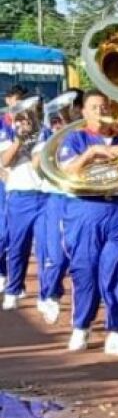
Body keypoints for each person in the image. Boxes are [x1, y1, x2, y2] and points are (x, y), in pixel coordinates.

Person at [58, 90, 118, 356]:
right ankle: (81, 326)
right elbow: (67, 170)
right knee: (85, 271)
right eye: (94, 107)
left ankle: (116, 331)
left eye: (105, 106)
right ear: (84, 112)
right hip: (87, 207)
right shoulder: (75, 138)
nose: (101, 111)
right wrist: (94, 151)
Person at [33, 92, 79, 324]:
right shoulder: (47, 138)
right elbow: (37, 167)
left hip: (82, 200)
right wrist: (55, 140)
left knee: (82, 259)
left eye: (69, 112)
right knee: (57, 255)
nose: (62, 120)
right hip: (57, 199)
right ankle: (51, 294)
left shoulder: (83, 137)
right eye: (60, 116)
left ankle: (82, 316)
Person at [0, 97, 46, 311]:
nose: (26, 119)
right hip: (20, 197)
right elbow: (5, 161)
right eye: (22, 115)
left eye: (30, 114)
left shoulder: (46, 133)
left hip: (44, 196)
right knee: (18, 246)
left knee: (47, 249)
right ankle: (13, 289)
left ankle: (47, 295)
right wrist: (20, 139)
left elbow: (39, 166)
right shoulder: (8, 133)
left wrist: (37, 143)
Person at [0, 85, 27, 294]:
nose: (18, 104)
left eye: (22, 100)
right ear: (8, 100)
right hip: (3, 184)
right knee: (2, 233)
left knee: (14, 235)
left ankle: (16, 279)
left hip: (18, 185)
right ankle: (2, 273)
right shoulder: (2, 123)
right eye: (15, 100)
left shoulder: (31, 123)